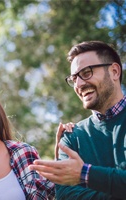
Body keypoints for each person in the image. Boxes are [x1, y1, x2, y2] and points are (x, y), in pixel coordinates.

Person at [29, 41, 126, 199]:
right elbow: (65, 195)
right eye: (74, 79)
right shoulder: (71, 136)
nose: (79, 84)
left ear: (114, 71)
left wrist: (85, 174)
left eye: (87, 73)